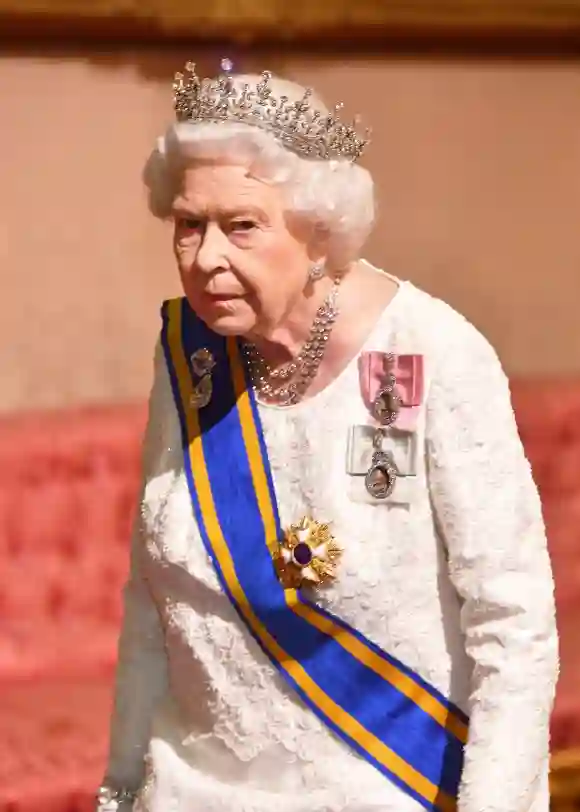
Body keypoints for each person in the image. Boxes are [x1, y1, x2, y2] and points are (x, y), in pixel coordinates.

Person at [96, 59, 558, 812]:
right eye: (189, 225)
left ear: (319, 233)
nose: (206, 257)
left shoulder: (434, 352)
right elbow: (154, 598)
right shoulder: (190, 351)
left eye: (242, 226)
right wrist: (118, 786)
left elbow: (512, 624)